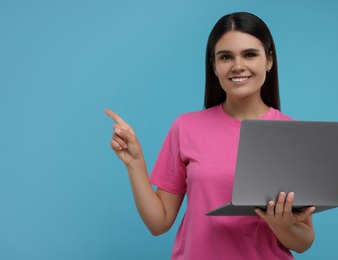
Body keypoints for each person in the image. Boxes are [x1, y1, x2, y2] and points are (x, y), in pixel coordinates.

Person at [105, 12, 315, 259]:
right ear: (214, 66)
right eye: (226, 57)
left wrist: (282, 225)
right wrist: (135, 163)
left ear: (269, 60)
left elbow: (303, 241)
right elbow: (158, 223)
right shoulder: (186, 128)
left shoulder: (291, 134)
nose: (238, 66)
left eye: (250, 54)